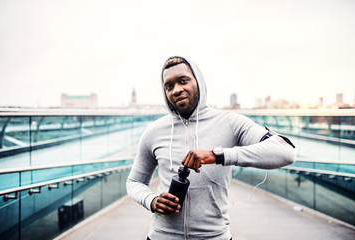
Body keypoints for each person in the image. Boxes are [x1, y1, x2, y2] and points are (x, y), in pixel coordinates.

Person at [126, 56, 296, 240]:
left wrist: (218, 155)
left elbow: (285, 151)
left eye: (183, 81)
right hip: (161, 236)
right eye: (169, 86)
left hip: (215, 236)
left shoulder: (229, 122)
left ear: (198, 82)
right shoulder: (154, 131)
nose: (176, 90)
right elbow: (134, 182)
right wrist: (151, 200)